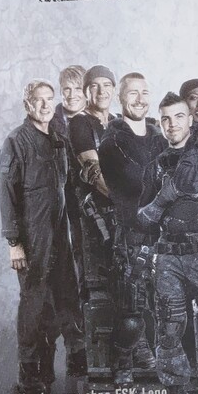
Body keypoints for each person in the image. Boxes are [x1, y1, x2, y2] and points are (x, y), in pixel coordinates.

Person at [0, 81, 84, 394]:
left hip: (59, 232)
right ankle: (29, 373)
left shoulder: (58, 139)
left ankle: (52, 367)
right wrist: (14, 243)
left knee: (65, 296)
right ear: (27, 105)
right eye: (39, 100)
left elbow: (67, 188)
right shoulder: (16, 142)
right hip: (33, 235)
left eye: (50, 99)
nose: (46, 105)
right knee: (34, 302)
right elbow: (6, 195)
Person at [139, 92, 198, 394]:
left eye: (179, 117)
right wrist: (163, 199)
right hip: (168, 256)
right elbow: (142, 219)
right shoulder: (156, 166)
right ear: (160, 124)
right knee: (169, 325)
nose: (172, 124)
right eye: (166, 119)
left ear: (190, 119)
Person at [99, 73, 163, 383]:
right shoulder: (112, 142)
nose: (139, 99)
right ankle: (122, 361)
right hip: (131, 235)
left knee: (162, 304)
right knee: (131, 307)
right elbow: (137, 183)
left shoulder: (160, 136)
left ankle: (145, 350)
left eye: (144, 92)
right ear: (121, 99)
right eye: (133, 93)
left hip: (163, 233)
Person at [68, 65, 120, 378]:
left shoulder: (119, 122)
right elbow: (94, 171)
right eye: (94, 86)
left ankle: (123, 362)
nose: (101, 91)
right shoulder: (79, 123)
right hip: (94, 221)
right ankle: (98, 367)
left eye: (107, 85)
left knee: (125, 287)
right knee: (97, 289)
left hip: (121, 219)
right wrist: (128, 200)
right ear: (86, 90)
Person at [50, 64, 87, 284]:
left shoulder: (101, 120)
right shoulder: (46, 124)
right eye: (66, 89)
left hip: (89, 202)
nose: (72, 95)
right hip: (58, 204)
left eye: (78, 88)